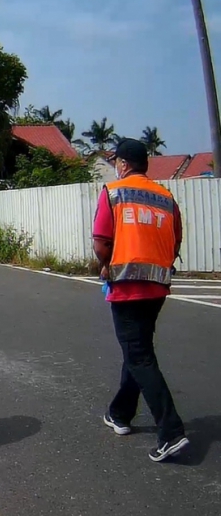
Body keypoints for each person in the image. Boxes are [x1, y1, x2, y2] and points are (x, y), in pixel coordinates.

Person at [93, 137, 189, 462]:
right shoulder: (166, 197)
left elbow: (101, 242)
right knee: (137, 351)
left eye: (115, 162)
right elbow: (176, 240)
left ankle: (171, 431)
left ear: (122, 164)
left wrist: (105, 266)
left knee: (139, 356)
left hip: (126, 286)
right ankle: (119, 414)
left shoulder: (113, 192)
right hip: (157, 287)